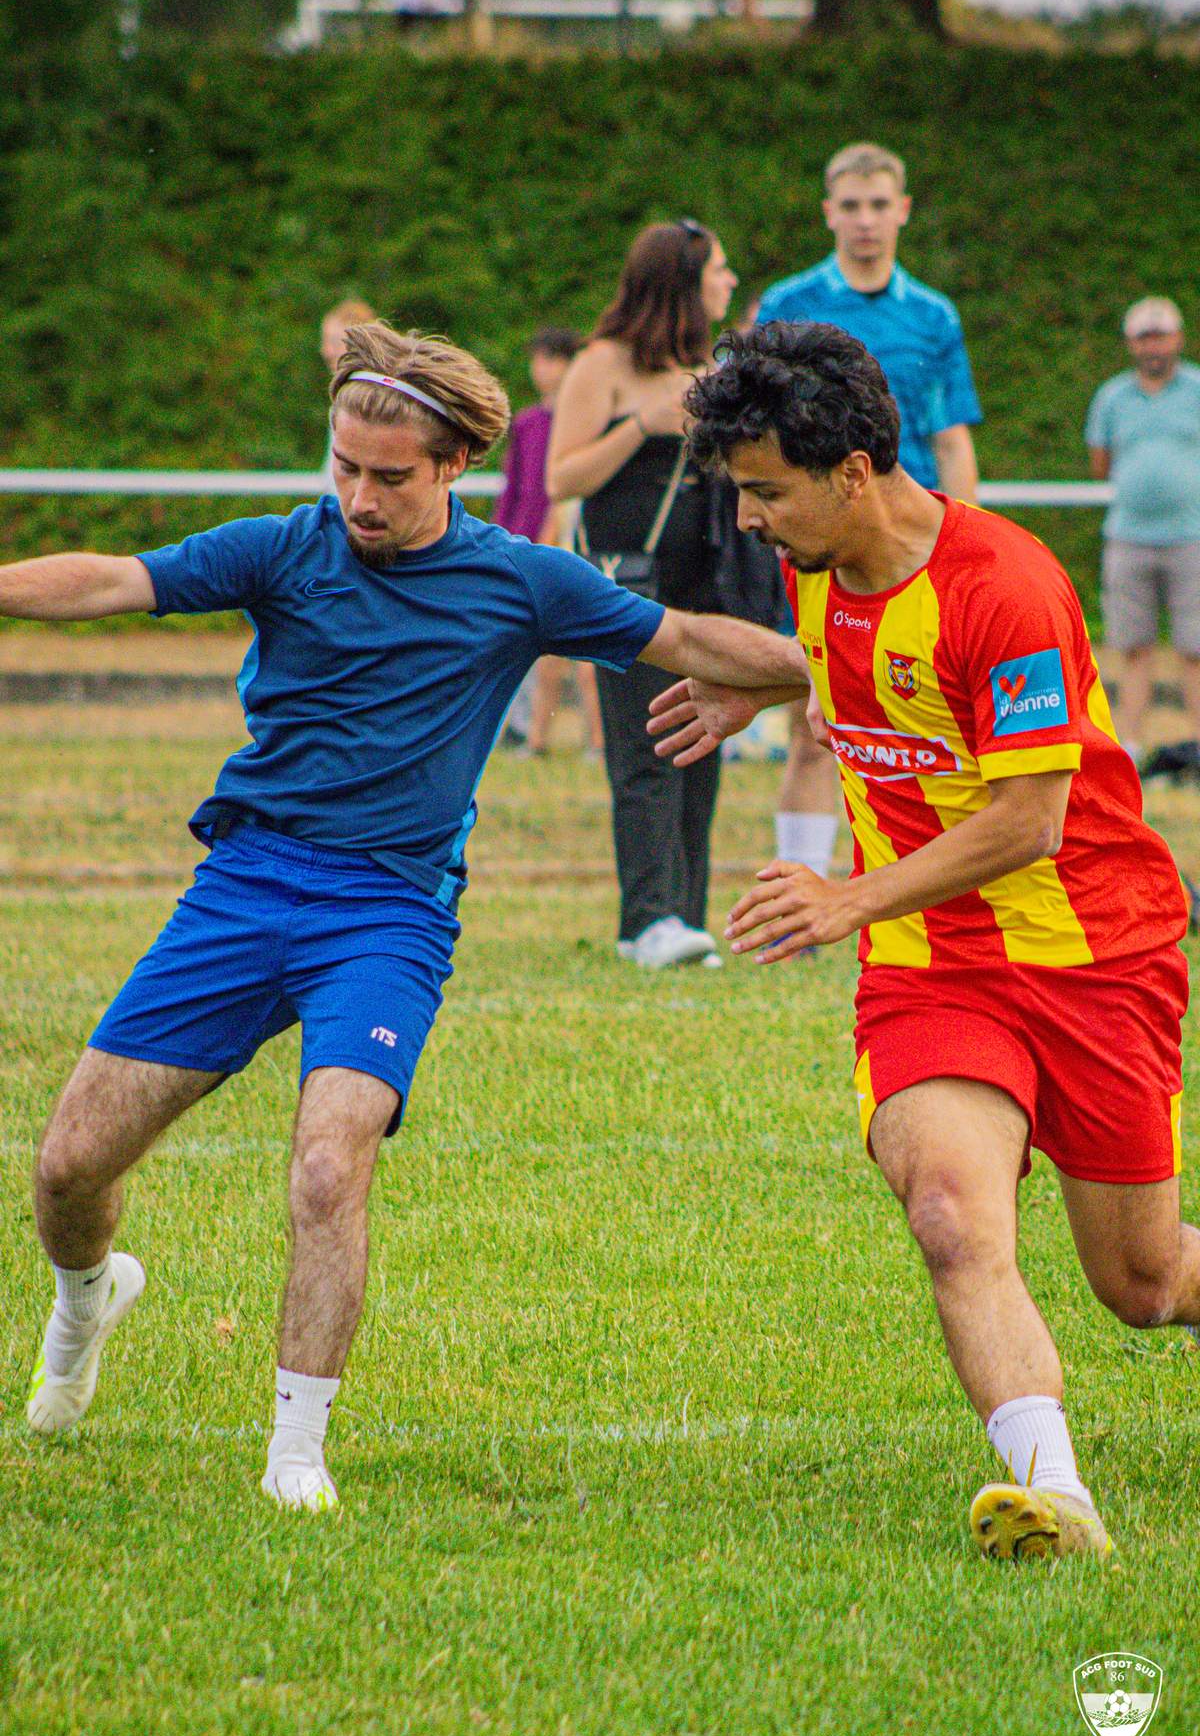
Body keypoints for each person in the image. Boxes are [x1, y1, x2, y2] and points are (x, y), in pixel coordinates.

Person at [15, 323, 815, 1513]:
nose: (360, 497)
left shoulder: (520, 579)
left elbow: (690, 639)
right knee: (70, 1167)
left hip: (388, 911)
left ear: (453, 469)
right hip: (244, 888)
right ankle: (89, 1297)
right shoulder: (284, 549)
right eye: (344, 467)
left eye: (389, 476)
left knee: (329, 1167)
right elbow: (113, 580)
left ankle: (297, 1450)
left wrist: (818, 668)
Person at [651, 321, 1197, 1561]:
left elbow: (1030, 819)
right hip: (932, 965)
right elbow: (863, 659)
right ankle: (1057, 1499)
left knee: (1145, 1284)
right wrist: (779, 684)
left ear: (853, 473)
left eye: (767, 493)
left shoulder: (1006, 585)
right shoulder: (815, 561)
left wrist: (845, 897)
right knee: (953, 1212)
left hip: (1094, 953)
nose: (750, 521)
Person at [757, 142, 983, 894]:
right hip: (821, 542)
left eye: (879, 204)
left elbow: (953, 441)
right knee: (819, 723)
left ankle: (925, 880)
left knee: (933, 723)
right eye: (850, 206)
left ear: (903, 211)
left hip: (914, 543)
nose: (865, 221)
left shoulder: (933, 315)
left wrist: (970, 551)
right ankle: (801, 890)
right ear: (829, 214)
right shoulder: (789, 303)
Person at [546, 219, 740, 969]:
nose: (727, 283)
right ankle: (646, 918)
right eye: (717, 271)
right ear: (683, 282)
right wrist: (641, 425)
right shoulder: (605, 364)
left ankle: (686, 915)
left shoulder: (711, 366)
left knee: (703, 741)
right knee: (645, 747)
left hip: (707, 582)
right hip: (629, 585)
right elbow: (563, 477)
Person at [1086, 296, 1200, 770]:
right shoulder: (1112, 397)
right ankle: (1129, 749)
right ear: (1132, 343)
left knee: (1196, 650)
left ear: (1178, 338)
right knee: (1131, 648)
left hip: (1192, 538)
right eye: (1144, 336)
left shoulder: (1196, 389)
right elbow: (1101, 464)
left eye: (1161, 334)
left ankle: (1196, 747)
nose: (1153, 345)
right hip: (1129, 538)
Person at [492, 326, 602, 756]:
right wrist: (504, 538)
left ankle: (598, 741)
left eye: (553, 359)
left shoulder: (587, 422)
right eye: (539, 359)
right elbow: (513, 488)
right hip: (525, 547)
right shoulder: (527, 423)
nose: (544, 369)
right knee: (542, 652)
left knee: (588, 653)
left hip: (574, 544)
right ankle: (534, 737)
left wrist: (553, 535)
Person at [319, 298, 376, 485]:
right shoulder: (343, 397)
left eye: (335, 342)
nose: (327, 352)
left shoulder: (375, 401)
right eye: (325, 342)